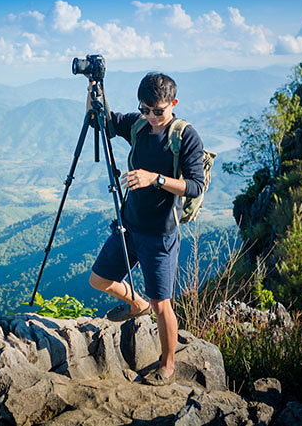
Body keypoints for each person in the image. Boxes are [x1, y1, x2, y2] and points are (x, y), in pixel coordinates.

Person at [87, 72, 205, 386]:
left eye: (158, 111)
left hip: (161, 233)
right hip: (129, 224)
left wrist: (156, 179)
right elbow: (100, 121)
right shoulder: (138, 124)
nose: (151, 117)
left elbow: (194, 186)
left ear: (173, 104)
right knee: (99, 279)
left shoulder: (185, 136)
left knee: (161, 303)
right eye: (145, 110)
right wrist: (93, 89)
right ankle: (135, 304)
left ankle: (167, 364)